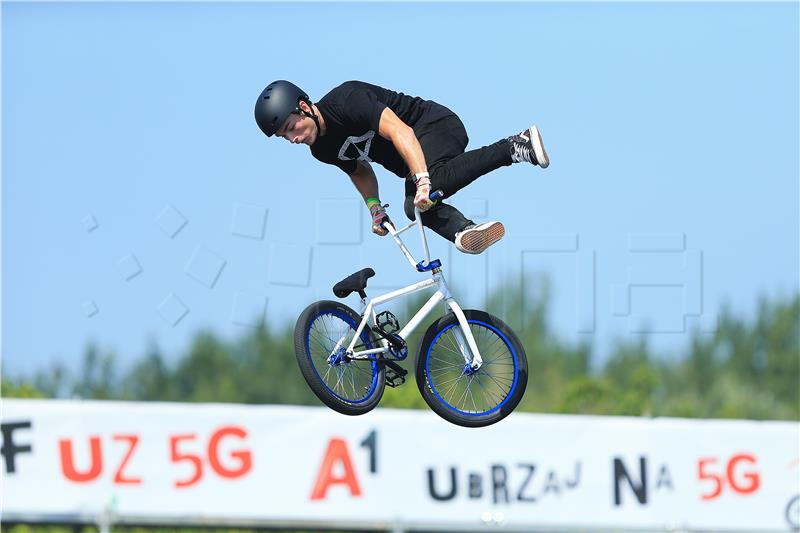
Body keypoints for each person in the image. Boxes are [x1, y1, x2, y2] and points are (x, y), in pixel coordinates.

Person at [254, 80, 549, 254]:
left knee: (426, 189)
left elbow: (400, 132)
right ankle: (466, 232)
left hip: (434, 126)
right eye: (285, 137)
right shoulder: (320, 149)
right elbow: (359, 170)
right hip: (417, 157)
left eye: (291, 127)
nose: (292, 139)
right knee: (414, 207)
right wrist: (375, 208)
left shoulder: (347, 101)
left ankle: (513, 146)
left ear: (304, 107)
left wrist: (422, 180)